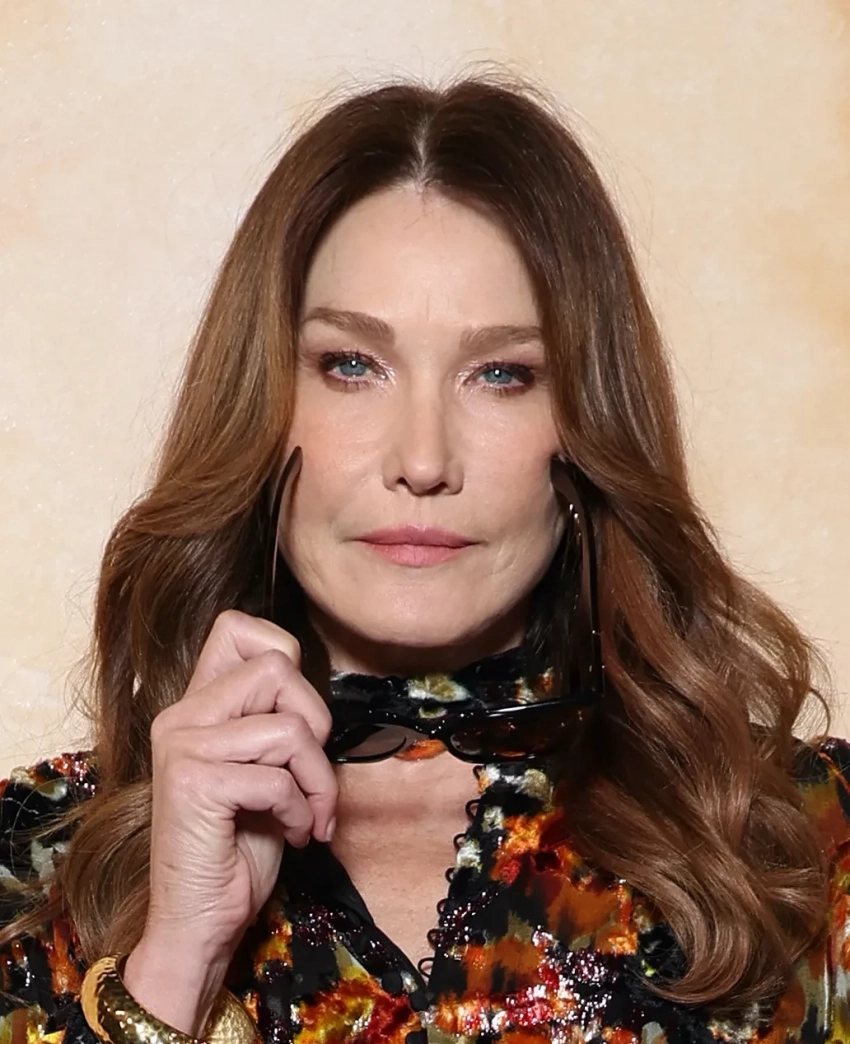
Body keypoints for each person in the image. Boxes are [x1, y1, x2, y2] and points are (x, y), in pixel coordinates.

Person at [0, 71, 848, 1044]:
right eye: (351, 365)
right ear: (261, 408)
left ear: (583, 428)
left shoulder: (803, 841)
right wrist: (177, 969)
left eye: (502, 374)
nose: (422, 459)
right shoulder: (36, 864)